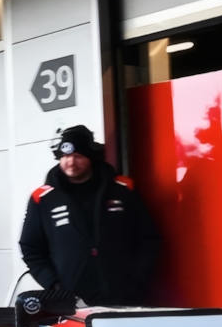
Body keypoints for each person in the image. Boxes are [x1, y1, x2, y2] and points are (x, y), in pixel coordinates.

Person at [20, 124, 161, 307]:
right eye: (65, 156)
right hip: (72, 303)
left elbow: (148, 238)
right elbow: (30, 248)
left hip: (125, 298)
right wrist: (54, 285)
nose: (71, 162)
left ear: (91, 157)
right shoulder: (43, 199)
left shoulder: (122, 190)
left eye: (78, 156)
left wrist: (137, 277)